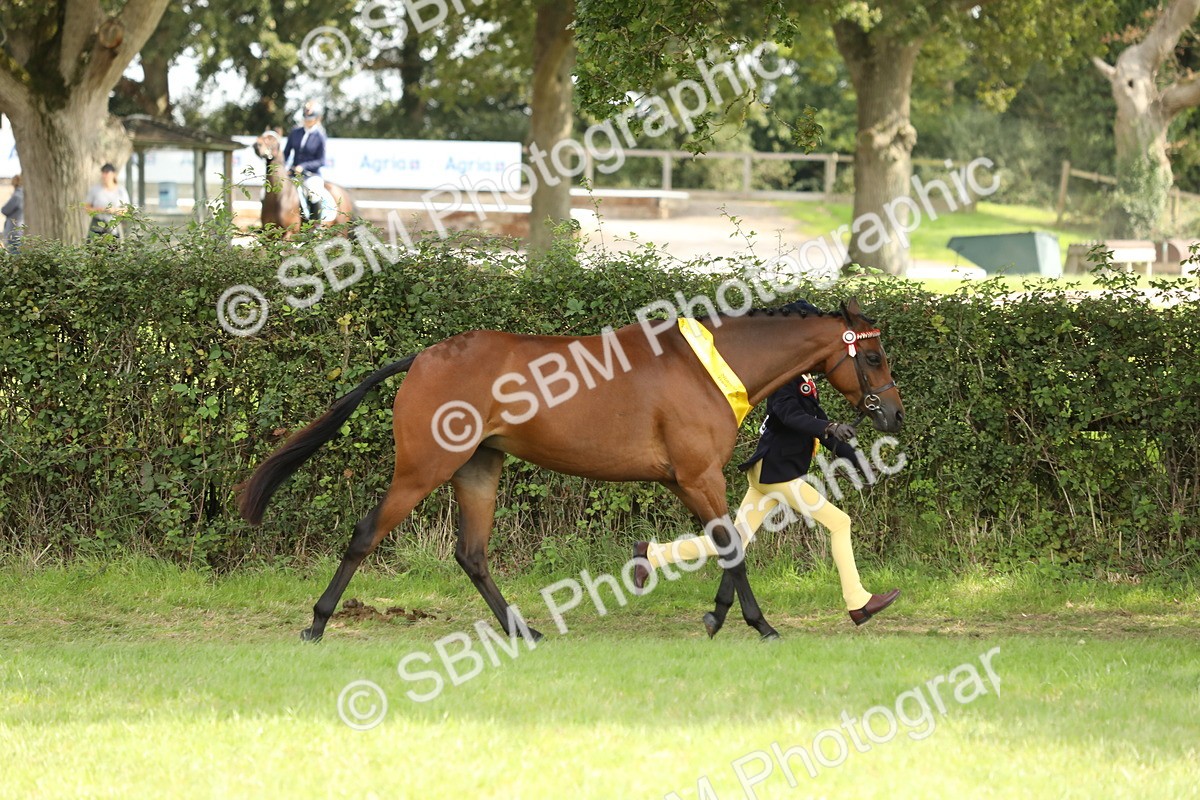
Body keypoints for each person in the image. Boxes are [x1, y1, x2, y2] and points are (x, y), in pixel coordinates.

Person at [633, 304, 901, 626]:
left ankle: (652, 555)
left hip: (769, 473)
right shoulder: (782, 378)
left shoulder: (802, 377)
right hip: (779, 474)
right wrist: (827, 429)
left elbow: (817, 422)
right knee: (840, 523)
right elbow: (790, 416)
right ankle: (857, 601)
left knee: (736, 541)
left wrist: (856, 460)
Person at [283, 100, 328, 223]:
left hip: (311, 174)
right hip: (293, 173)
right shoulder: (295, 133)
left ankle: (315, 226)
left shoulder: (320, 136)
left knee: (314, 193)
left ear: (317, 118)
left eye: (311, 118)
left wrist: (303, 166)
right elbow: (286, 153)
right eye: (306, 117)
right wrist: (284, 167)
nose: (307, 120)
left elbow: (321, 160)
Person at [85, 163, 129, 239]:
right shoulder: (95, 189)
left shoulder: (121, 190)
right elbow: (87, 208)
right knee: (94, 249)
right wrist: (98, 210)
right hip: (97, 224)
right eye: (103, 173)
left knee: (112, 249)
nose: (105, 175)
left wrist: (114, 210)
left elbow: (126, 210)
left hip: (113, 225)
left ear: (113, 174)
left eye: (107, 172)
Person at [2, 174, 23, 253]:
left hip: (13, 230)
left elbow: (5, 210)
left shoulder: (17, 196)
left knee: (14, 254)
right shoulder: (24, 194)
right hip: (20, 228)